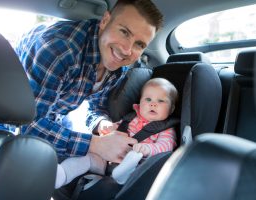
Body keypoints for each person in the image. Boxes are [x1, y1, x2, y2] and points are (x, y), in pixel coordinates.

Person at [11, 0, 164, 165]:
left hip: (55, 116)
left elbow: (94, 106)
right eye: (124, 32)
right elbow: (27, 126)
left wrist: (101, 123)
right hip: (7, 116)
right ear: (105, 21)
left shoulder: (120, 67)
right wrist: (95, 144)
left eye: (139, 44)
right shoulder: (60, 48)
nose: (127, 50)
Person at [55, 78, 178, 188]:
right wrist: (110, 129)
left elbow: (166, 147)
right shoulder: (131, 118)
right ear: (140, 103)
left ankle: (121, 176)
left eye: (161, 101)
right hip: (106, 159)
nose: (153, 103)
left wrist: (147, 149)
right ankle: (63, 174)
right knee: (87, 157)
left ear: (171, 108)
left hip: (137, 164)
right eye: (148, 99)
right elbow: (118, 128)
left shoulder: (166, 129)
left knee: (135, 160)